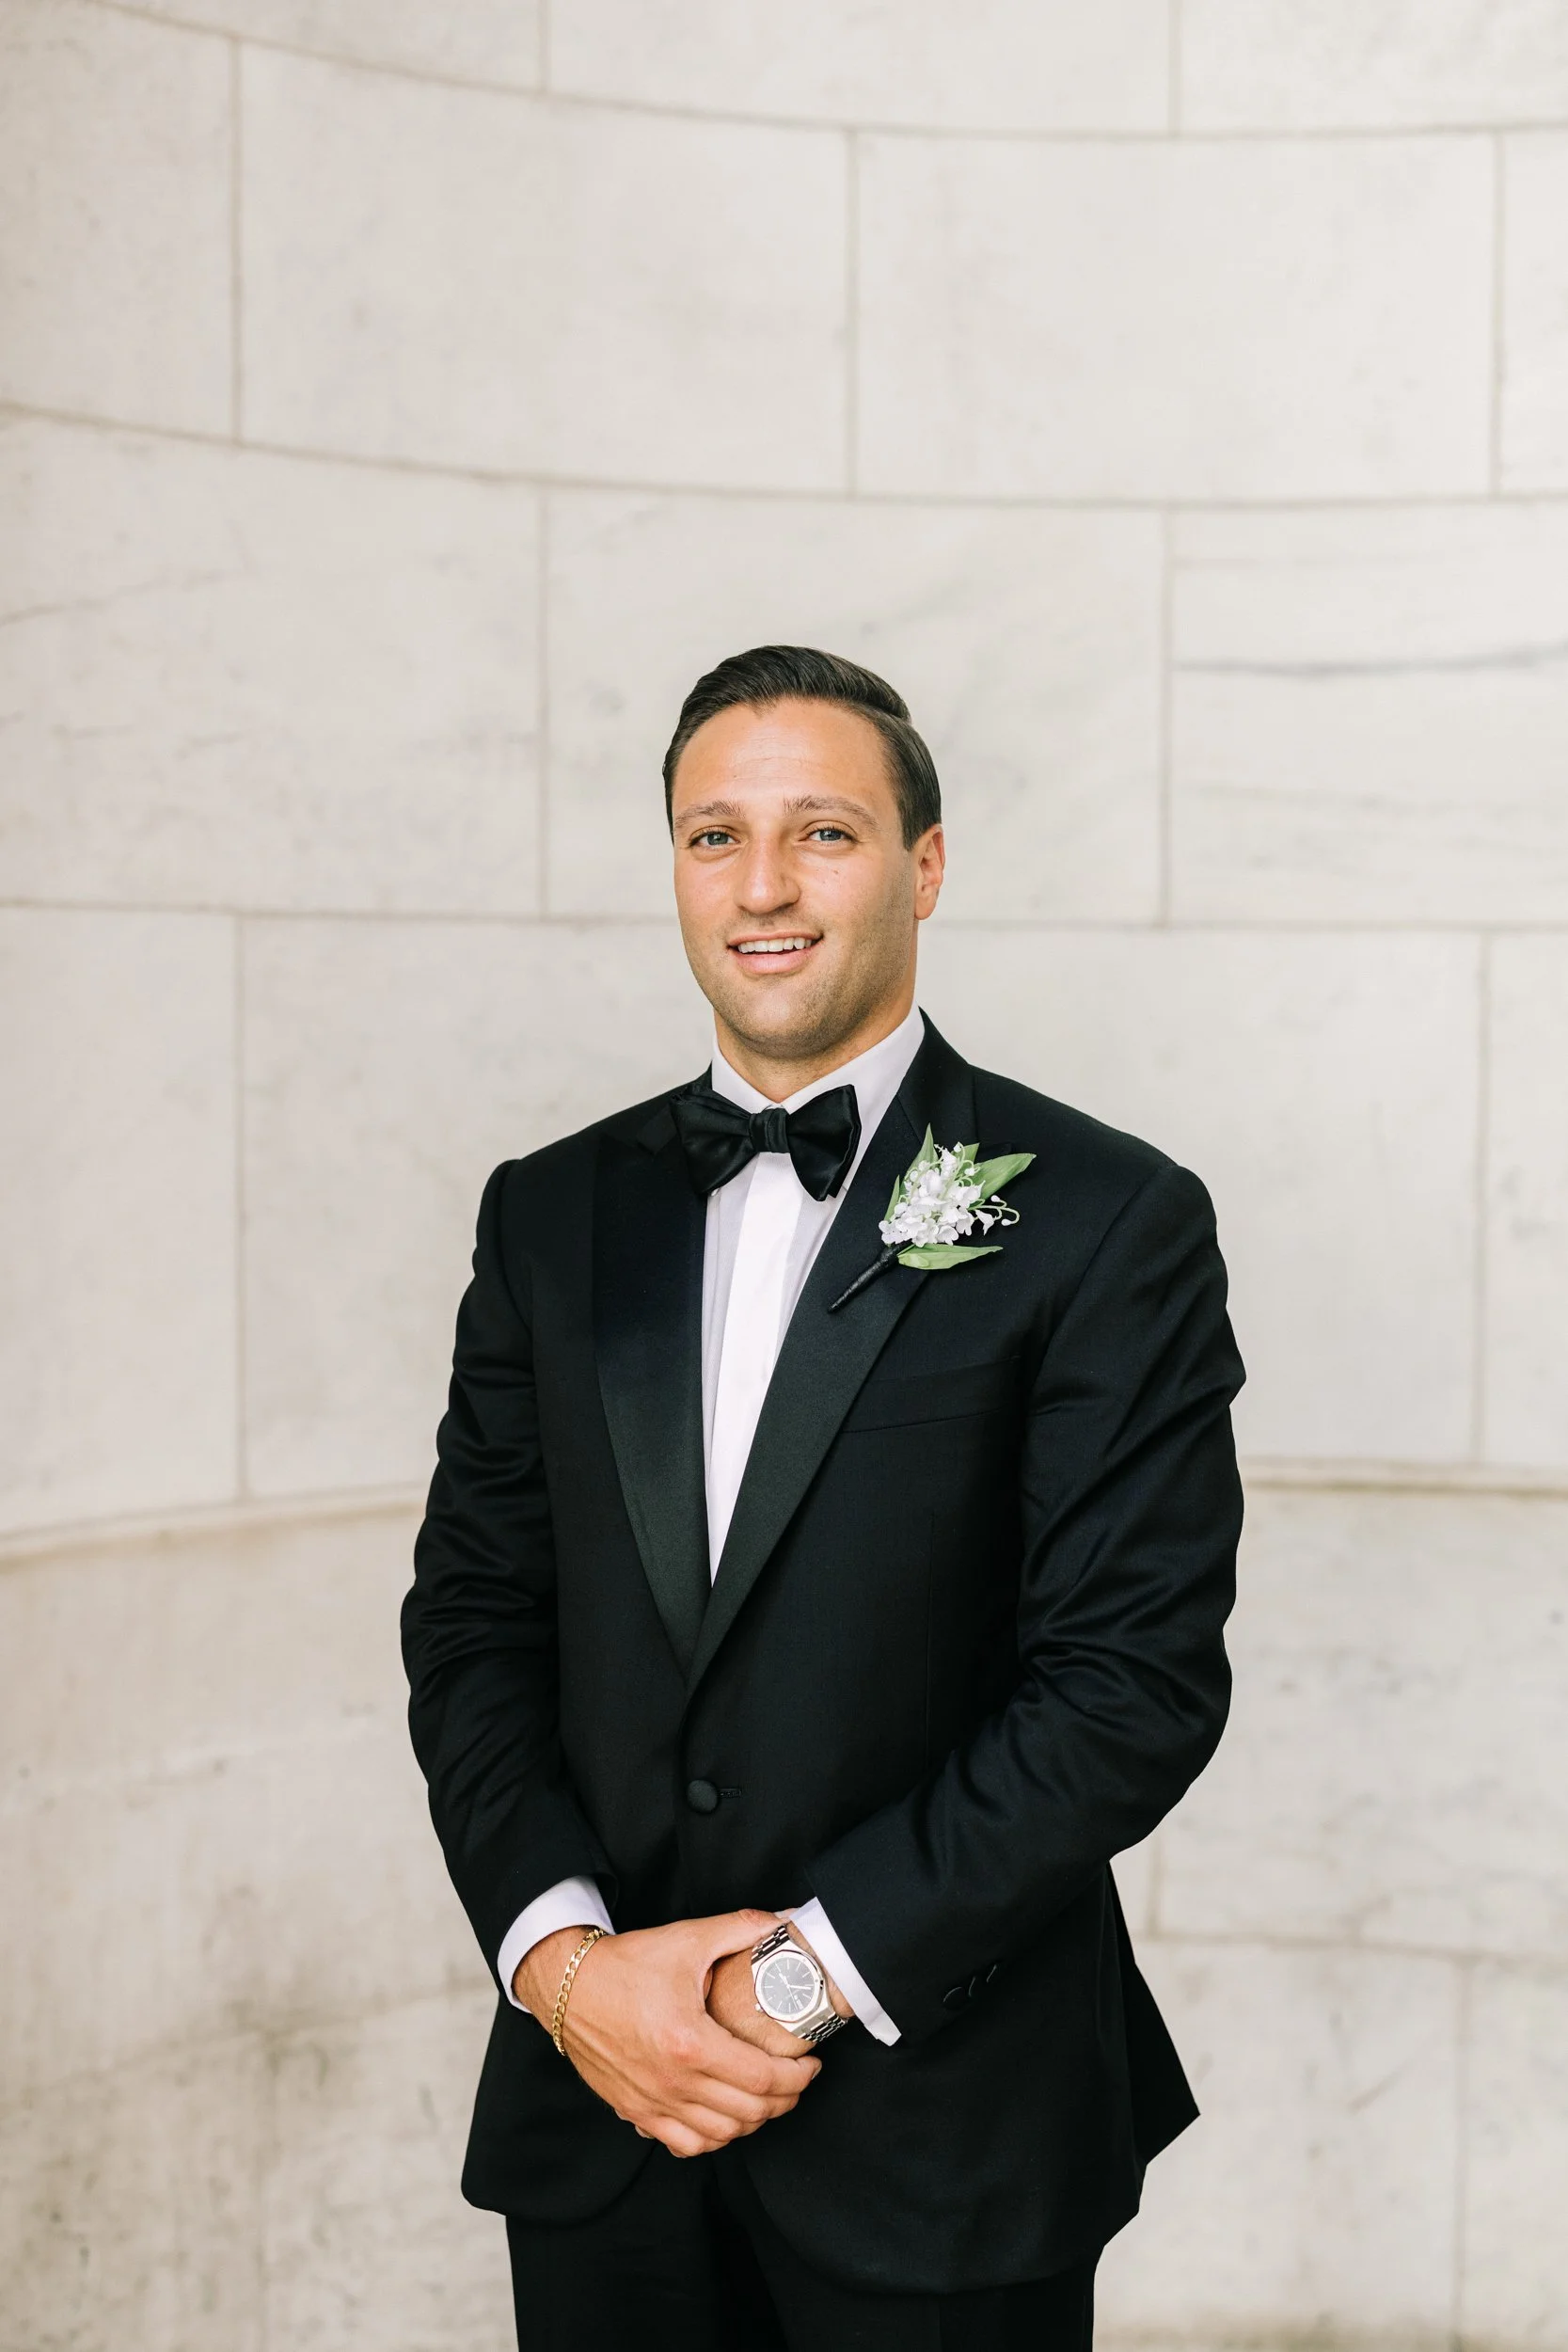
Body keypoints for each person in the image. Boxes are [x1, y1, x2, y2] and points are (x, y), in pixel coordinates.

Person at [402, 645, 1245, 2350]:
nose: (763, 886)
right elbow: (473, 1623)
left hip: (948, 2135)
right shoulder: (546, 1215)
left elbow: (1127, 1689)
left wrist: (777, 1991)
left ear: (925, 865)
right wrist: (572, 1976)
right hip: (603, 2127)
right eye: (715, 836)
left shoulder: (1104, 1218)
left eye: (823, 833)